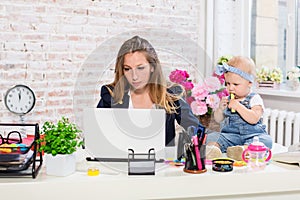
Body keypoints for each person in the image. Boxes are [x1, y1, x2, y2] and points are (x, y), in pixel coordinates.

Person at [97, 35, 200, 146]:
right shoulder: (111, 94)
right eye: (127, 69)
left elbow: (194, 128)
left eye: (140, 68)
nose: (134, 76)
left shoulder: (170, 94)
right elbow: (97, 132)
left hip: (160, 161)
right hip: (119, 161)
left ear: (152, 67)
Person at [206, 56, 273, 158]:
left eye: (235, 84)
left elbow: (254, 118)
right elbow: (218, 119)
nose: (230, 88)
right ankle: (214, 150)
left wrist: (238, 107)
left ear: (249, 83)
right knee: (212, 137)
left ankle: (244, 150)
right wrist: (220, 109)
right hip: (231, 135)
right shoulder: (228, 99)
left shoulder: (254, 98)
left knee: (266, 141)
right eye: (228, 83)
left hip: (252, 135)